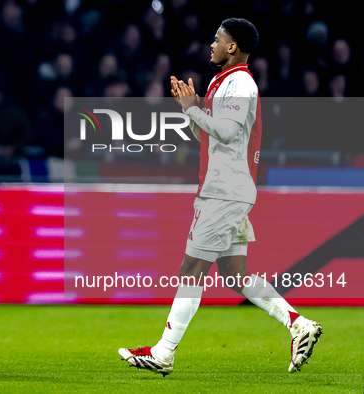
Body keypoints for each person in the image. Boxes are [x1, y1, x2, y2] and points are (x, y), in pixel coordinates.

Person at [119, 18, 322, 376]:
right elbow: (212, 137)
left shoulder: (240, 82)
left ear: (232, 47)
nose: (211, 44)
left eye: (217, 39)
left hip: (223, 191)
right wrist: (192, 107)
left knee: (191, 269)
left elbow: (226, 132)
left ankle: (164, 353)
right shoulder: (224, 81)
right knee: (233, 272)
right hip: (229, 187)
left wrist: (193, 109)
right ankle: (298, 324)